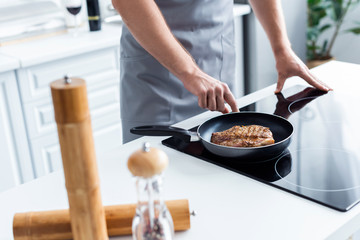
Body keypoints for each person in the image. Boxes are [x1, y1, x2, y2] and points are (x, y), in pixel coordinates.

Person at [112, 0, 331, 143]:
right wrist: (189, 72)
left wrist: (282, 50)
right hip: (156, 70)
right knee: (157, 169)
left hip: (216, 53)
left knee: (220, 163)